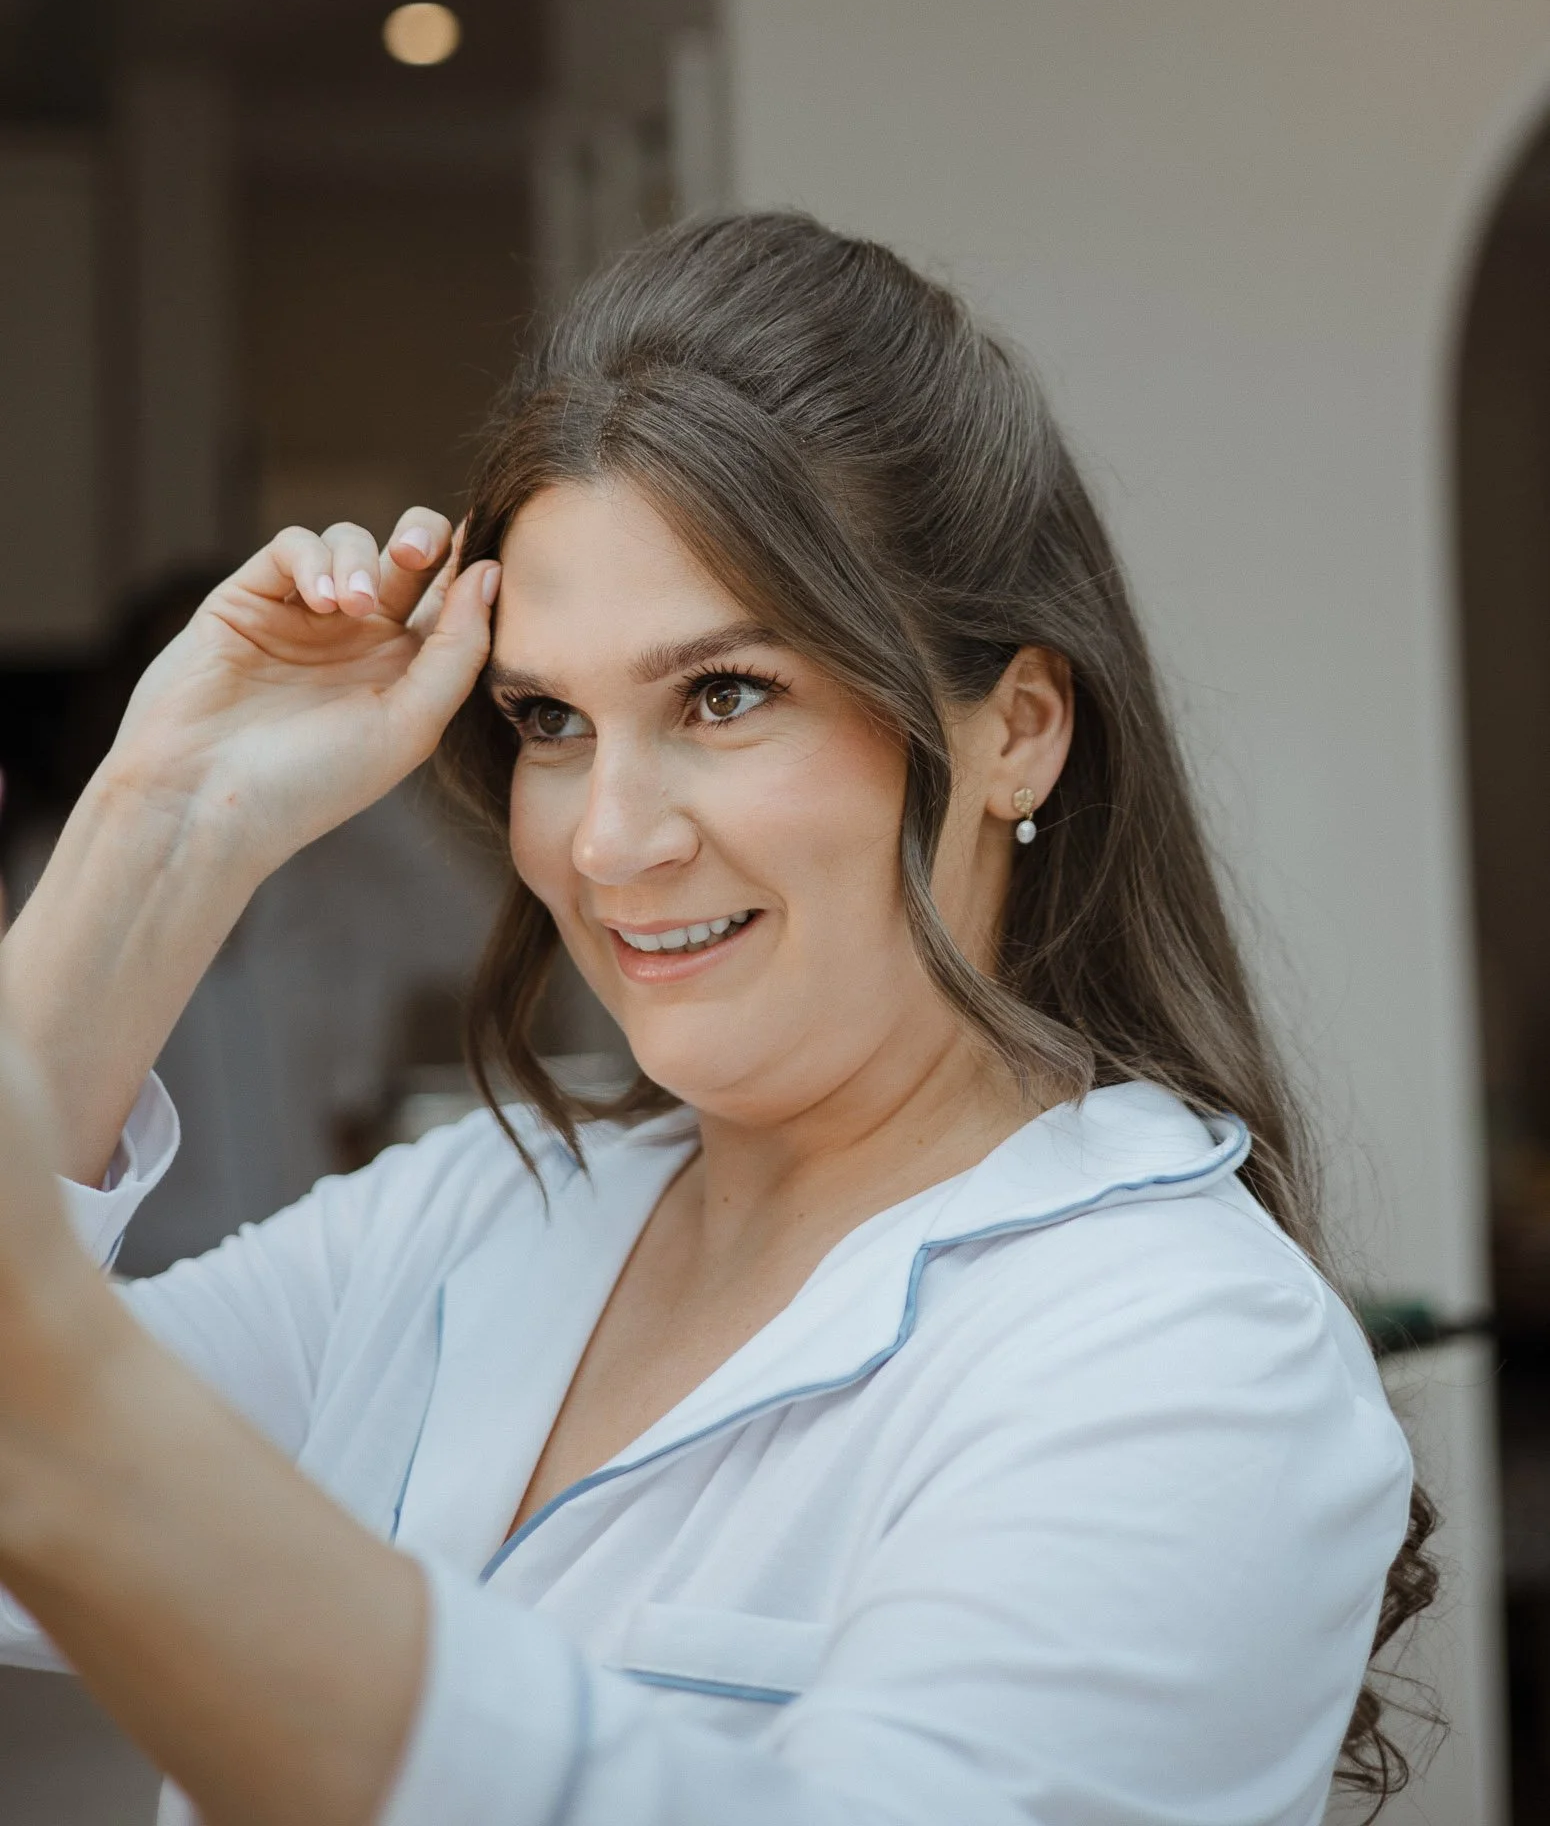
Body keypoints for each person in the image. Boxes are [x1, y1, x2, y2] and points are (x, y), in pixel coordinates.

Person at [0, 213, 1433, 1826]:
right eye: (549, 719)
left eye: (724, 695)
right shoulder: (473, 1215)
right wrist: (163, 817)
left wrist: (91, 1422)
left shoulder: (1175, 1354)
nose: (608, 841)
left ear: (1015, 730)